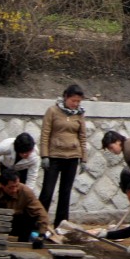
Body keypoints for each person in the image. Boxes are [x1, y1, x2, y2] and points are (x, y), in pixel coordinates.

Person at [38, 83, 87, 228]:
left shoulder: (79, 114)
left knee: (65, 193)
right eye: (73, 101)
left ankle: (60, 226)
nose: (76, 104)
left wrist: (83, 158)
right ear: (66, 97)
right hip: (54, 156)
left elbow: (82, 136)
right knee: (47, 191)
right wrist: (44, 155)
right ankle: (39, 223)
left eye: (78, 101)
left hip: (72, 157)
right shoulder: (52, 111)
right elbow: (45, 134)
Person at [0, 168, 52, 241]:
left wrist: (41, 235)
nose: (14, 190)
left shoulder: (26, 192)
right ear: (2, 185)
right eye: (11, 187)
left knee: (31, 216)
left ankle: (23, 241)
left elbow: (41, 213)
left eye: (16, 186)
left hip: (18, 223)